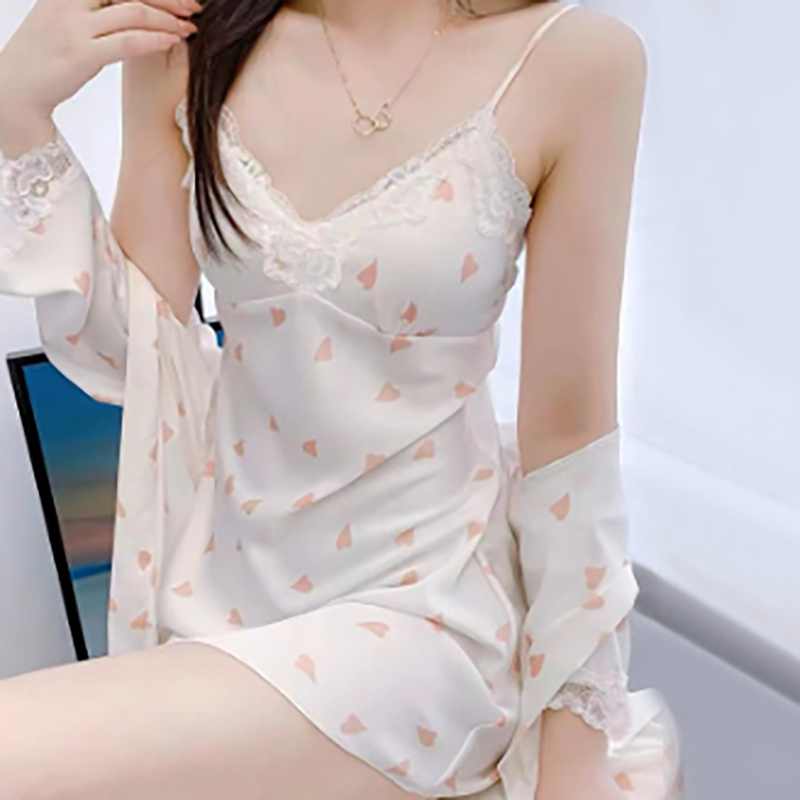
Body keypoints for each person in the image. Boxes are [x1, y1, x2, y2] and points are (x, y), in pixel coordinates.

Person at [0, 0, 684, 798]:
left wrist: (573, 765)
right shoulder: (191, 40)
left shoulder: (575, 61)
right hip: (218, 602)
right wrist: (16, 107)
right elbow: (133, 354)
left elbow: (569, 439)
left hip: (425, 615)